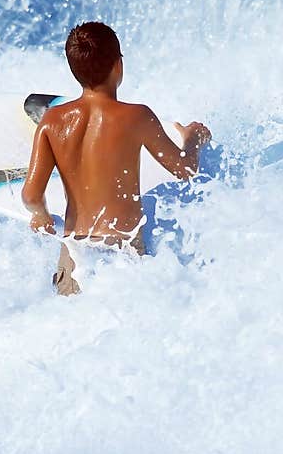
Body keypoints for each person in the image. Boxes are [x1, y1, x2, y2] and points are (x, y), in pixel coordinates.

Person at [21, 21, 211, 295]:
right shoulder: (136, 117)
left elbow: (30, 195)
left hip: (76, 253)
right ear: (118, 66)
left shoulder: (52, 121)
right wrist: (193, 138)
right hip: (123, 252)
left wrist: (40, 215)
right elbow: (185, 169)